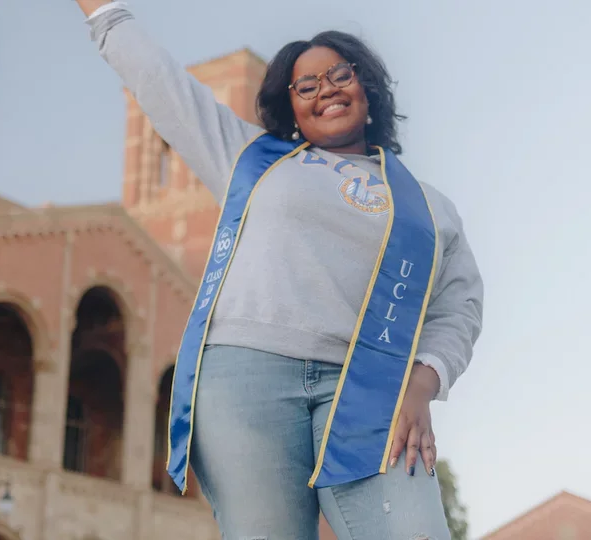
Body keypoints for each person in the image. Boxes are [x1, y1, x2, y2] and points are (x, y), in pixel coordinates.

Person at [74, 2, 484, 539]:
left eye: (340, 74)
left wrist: (420, 385)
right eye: (306, 85)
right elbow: (159, 82)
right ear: (290, 109)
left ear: (368, 88)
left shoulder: (429, 207)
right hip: (247, 380)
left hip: (369, 389)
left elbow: (460, 305)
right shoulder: (252, 159)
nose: (327, 89)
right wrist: (103, 14)